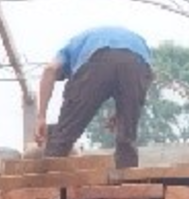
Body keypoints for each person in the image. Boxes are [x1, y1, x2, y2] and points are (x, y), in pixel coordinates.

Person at [34, 25, 153, 168]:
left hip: (96, 59)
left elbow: (50, 69)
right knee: (126, 138)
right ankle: (128, 177)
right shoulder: (134, 40)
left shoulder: (69, 48)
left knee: (63, 136)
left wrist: (41, 117)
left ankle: (50, 177)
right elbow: (146, 76)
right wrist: (123, 112)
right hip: (137, 63)